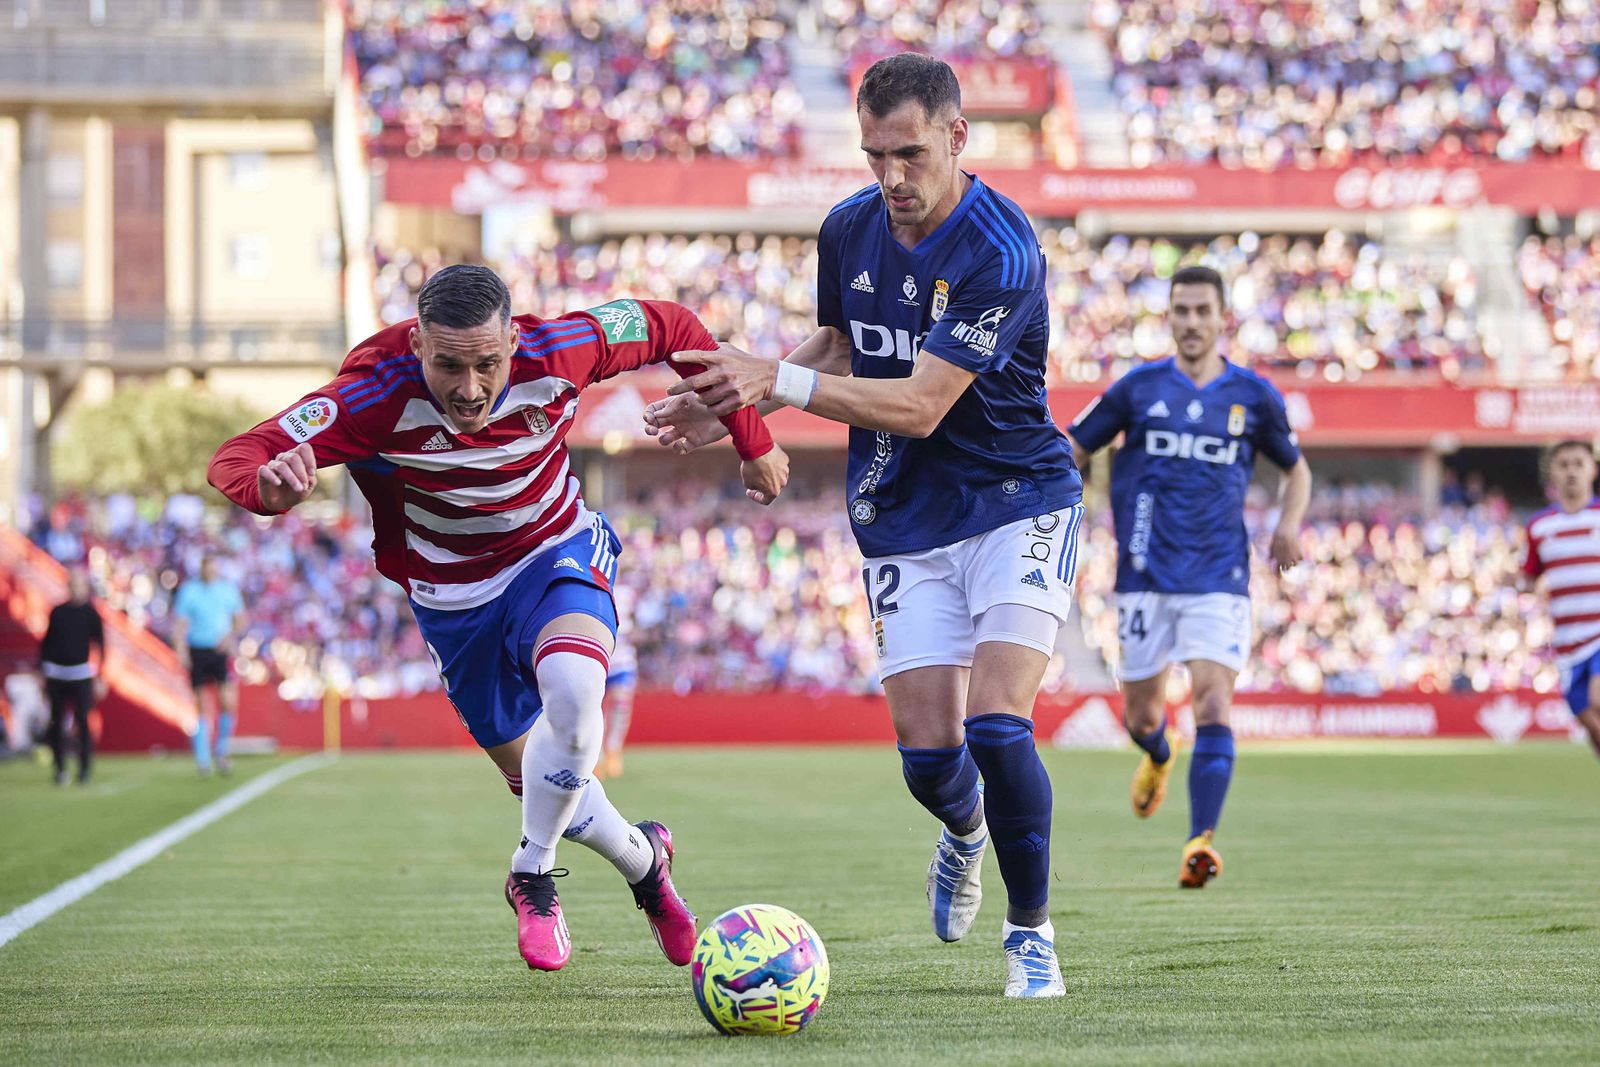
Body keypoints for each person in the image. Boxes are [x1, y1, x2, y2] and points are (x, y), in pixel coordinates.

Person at [645, 53, 1083, 998]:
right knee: (932, 763)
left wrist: (774, 378)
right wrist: (731, 398)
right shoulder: (848, 228)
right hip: (905, 517)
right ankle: (963, 831)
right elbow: (842, 343)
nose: (890, 177)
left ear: (958, 137)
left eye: (910, 153)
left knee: (999, 725)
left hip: (1017, 501)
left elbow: (923, 403)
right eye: (874, 153)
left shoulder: (1000, 249)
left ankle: (1031, 934)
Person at [207, 264, 787, 973]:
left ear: (513, 338)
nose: (471, 387)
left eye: (488, 362)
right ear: (417, 343)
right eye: (448, 364)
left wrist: (752, 439)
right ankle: (646, 863)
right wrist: (266, 490)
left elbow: (675, 327)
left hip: (555, 551)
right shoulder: (371, 397)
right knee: (555, 789)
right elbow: (240, 455)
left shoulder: (564, 347)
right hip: (454, 600)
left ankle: (530, 874)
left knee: (576, 696)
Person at [1066, 265, 1311, 888]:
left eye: (1204, 310)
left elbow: (1296, 469)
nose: (1193, 322)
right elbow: (1073, 448)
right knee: (1142, 719)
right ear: (1169, 317)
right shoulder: (1137, 389)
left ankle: (1200, 842)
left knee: (1212, 703)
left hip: (1219, 578)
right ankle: (1157, 755)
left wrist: (1288, 524)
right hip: (1144, 578)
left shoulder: (1253, 396)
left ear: (1223, 316)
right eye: (1182, 311)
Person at [1521, 440, 1600, 760]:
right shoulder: (1539, 527)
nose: (1571, 472)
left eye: (1578, 464)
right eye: (1563, 464)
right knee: (1591, 726)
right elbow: (1528, 576)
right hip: (1566, 644)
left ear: (1592, 470)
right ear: (1551, 472)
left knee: (1598, 700)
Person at [172, 556, 246, 777]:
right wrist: (181, 651)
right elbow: (180, 625)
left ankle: (221, 750)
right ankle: (203, 757)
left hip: (219, 650)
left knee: (228, 701)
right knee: (200, 704)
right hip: (198, 650)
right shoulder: (190, 591)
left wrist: (230, 637)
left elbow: (240, 619)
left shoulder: (227, 590)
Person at [38, 566, 106, 784]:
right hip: (57, 675)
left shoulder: (91, 614)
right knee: (56, 722)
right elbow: (46, 644)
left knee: (83, 723)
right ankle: (59, 769)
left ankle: (84, 768)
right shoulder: (57, 612)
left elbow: (101, 646)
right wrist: (43, 671)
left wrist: (100, 676)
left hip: (80, 674)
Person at [595, 628, 637, 780]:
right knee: (594, 709)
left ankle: (613, 749)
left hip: (621, 657)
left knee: (621, 705)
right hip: (596, 653)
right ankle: (596, 757)